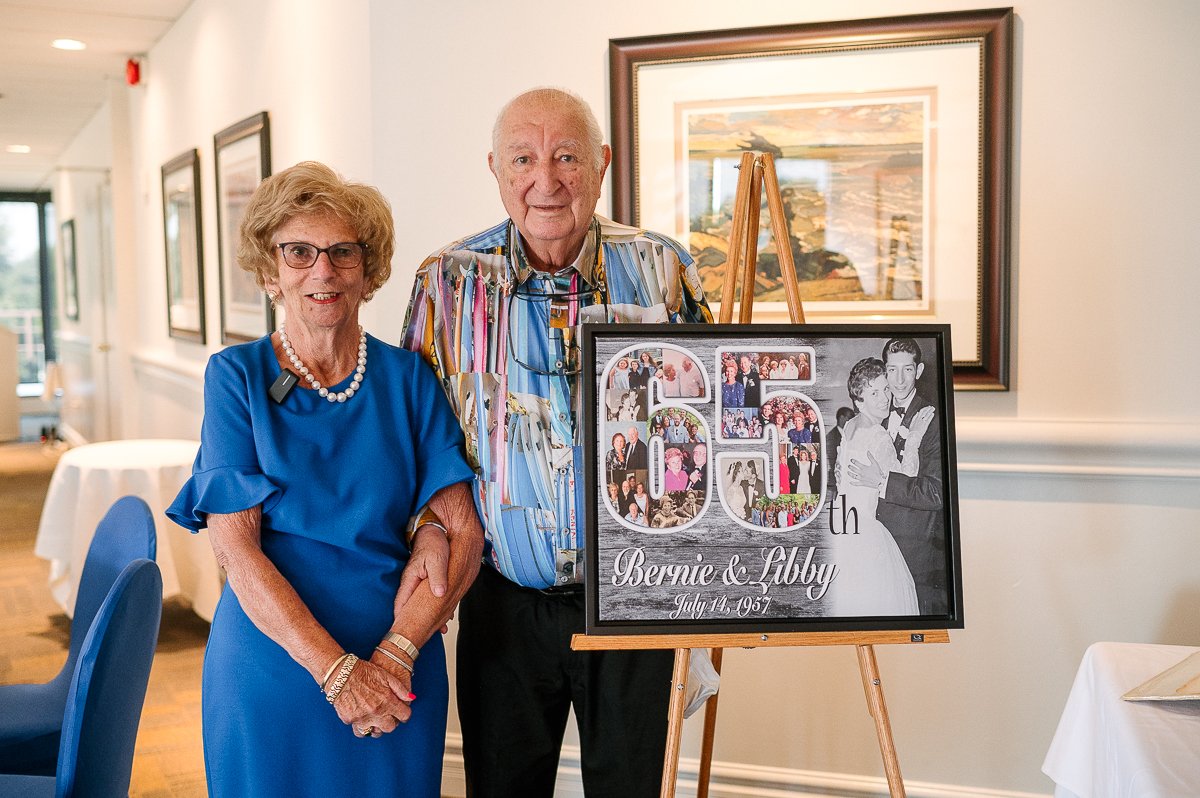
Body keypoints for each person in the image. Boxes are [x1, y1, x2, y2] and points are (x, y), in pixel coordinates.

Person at [402, 87, 712, 797]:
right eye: (524, 158)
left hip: (640, 601)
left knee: (636, 789)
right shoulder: (446, 282)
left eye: (567, 155)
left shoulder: (663, 271)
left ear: (601, 165)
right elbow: (416, 439)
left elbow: (717, 425)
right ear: (495, 169)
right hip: (503, 599)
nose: (546, 180)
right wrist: (428, 531)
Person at [165, 162, 484, 797]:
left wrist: (396, 652)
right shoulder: (237, 377)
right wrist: (336, 671)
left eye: (343, 252)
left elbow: (461, 531)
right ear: (269, 271)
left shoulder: (410, 378)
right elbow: (236, 547)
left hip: (399, 656)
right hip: (275, 663)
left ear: (369, 271)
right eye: (299, 252)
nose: (322, 270)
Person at [847, 337, 947, 615]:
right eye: (892, 370)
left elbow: (936, 492)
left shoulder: (934, 418)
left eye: (907, 369)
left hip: (913, 551)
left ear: (920, 371)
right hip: (870, 542)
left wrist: (882, 482)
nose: (899, 381)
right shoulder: (874, 411)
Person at [834, 357, 932, 617]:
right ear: (859, 401)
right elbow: (907, 474)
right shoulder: (878, 435)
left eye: (886, 389)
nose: (884, 398)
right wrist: (915, 436)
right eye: (874, 393)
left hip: (841, 522)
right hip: (864, 527)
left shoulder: (851, 426)